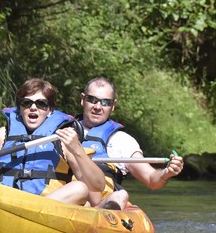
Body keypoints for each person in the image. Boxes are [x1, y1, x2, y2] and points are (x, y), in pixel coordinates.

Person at [0, 78, 107, 205]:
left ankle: (30, 214)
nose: (33, 108)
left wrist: (77, 150)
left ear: (50, 110)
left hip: (44, 212)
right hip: (4, 206)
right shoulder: (2, 135)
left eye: (41, 104)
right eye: (27, 103)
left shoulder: (63, 139)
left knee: (80, 188)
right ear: (19, 108)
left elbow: (97, 186)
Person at [78, 77, 184, 210]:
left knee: (121, 195)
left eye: (105, 102)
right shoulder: (61, 131)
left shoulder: (123, 141)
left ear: (113, 105)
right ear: (83, 99)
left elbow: (152, 179)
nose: (98, 107)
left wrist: (166, 173)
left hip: (99, 205)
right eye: (92, 100)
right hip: (69, 198)